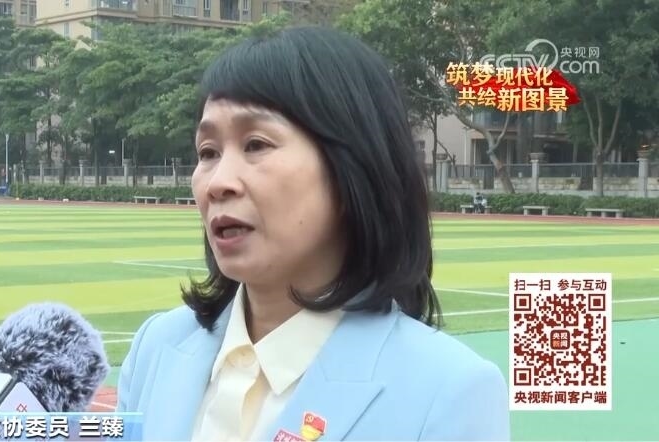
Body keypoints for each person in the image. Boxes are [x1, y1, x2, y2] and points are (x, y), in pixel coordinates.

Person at [115, 26, 509, 441]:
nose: (218, 182)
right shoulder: (157, 347)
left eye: (256, 144)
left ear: (352, 166)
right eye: (208, 152)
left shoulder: (449, 390)